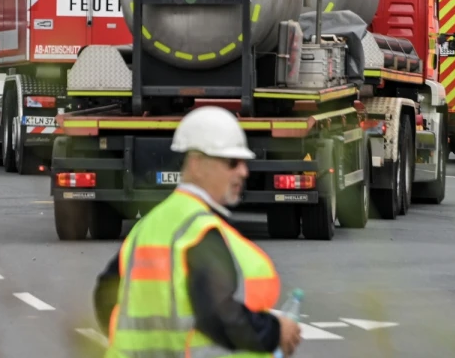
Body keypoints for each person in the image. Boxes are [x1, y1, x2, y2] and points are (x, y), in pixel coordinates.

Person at [95, 106, 302, 358]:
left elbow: (104, 296)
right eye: (232, 163)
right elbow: (218, 315)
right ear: (197, 164)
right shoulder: (199, 231)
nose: (243, 172)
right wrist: (274, 331)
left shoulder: (147, 227)